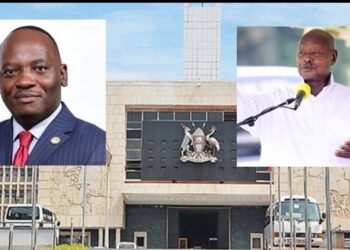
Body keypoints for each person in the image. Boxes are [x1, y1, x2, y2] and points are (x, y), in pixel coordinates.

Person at [237, 28, 350, 167]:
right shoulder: (275, 100)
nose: (306, 58)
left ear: (333, 57)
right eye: (301, 53)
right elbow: (237, 104)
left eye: (315, 52)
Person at [0, 25, 106, 166]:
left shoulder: (97, 145)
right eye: (10, 71)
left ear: (62, 75)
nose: (24, 82)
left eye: (40, 68)